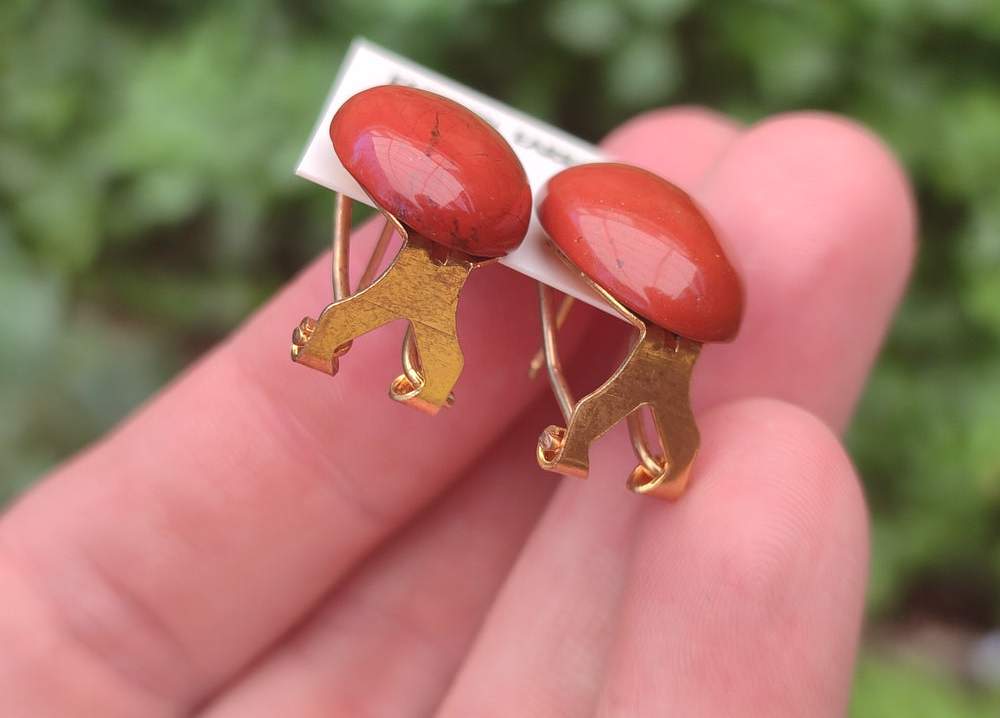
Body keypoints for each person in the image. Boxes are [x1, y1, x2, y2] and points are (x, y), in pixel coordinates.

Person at [0, 107, 915, 716]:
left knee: (620, 387)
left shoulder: (642, 292)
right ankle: (391, 364)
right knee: (416, 313)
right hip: (458, 256)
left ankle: (615, 447)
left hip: (635, 329)